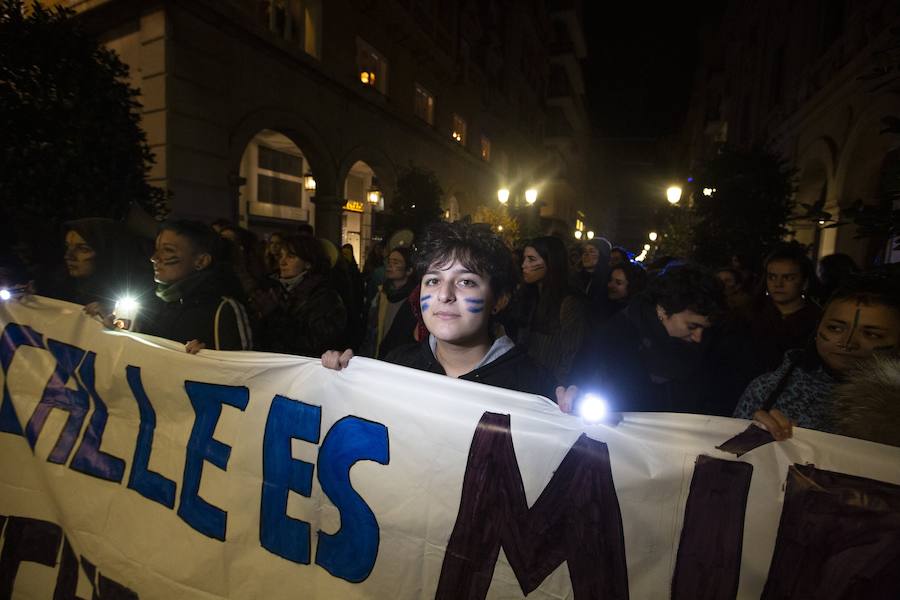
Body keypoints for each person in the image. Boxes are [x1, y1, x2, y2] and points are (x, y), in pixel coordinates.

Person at [322, 222, 572, 403]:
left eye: (466, 282)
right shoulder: (397, 366)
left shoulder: (535, 388)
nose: (444, 295)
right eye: (433, 281)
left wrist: (572, 422)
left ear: (499, 299)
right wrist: (340, 382)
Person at [734, 273, 900, 440]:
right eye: (835, 328)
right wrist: (752, 439)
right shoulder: (765, 389)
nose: (847, 342)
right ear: (817, 329)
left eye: (872, 334)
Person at [572, 264, 726, 413]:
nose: (698, 337)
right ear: (663, 310)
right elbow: (586, 376)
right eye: (692, 326)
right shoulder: (618, 335)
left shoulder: (711, 345)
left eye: (704, 328)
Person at [140, 220, 252, 353]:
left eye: (168, 250)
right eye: (157, 249)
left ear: (201, 261)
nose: (154, 258)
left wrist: (207, 357)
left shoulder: (223, 309)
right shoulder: (150, 304)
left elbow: (242, 367)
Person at [255, 234, 347, 357]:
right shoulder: (274, 290)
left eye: (291, 257)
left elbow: (316, 344)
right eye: (281, 256)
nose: (282, 262)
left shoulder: (325, 297)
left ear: (308, 263)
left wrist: (274, 315)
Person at [512, 236, 589, 382]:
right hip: (527, 381)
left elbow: (571, 353)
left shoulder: (569, 302)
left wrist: (559, 388)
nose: (524, 265)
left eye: (531, 259)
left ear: (551, 262)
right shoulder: (530, 297)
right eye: (524, 259)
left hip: (551, 387)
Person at [42, 218, 153, 313]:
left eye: (83, 249)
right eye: (68, 247)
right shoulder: (61, 285)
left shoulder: (142, 296)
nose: (68, 256)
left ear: (108, 253)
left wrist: (116, 316)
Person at [747, 243, 821, 375]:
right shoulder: (749, 315)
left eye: (788, 278)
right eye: (772, 277)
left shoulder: (817, 320)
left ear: (804, 282)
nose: (778, 284)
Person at [360, 246, 419, 359]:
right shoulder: (381, 293)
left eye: (396, 262)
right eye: (389, 262)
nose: (390, 266)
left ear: (409, 270)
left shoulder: (414, 299)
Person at [572, 238, 611, 314]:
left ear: (602, 255)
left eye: (591, 251)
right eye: (584, 251)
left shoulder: (609, 280)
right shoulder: (575, 278)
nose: (586, 255)